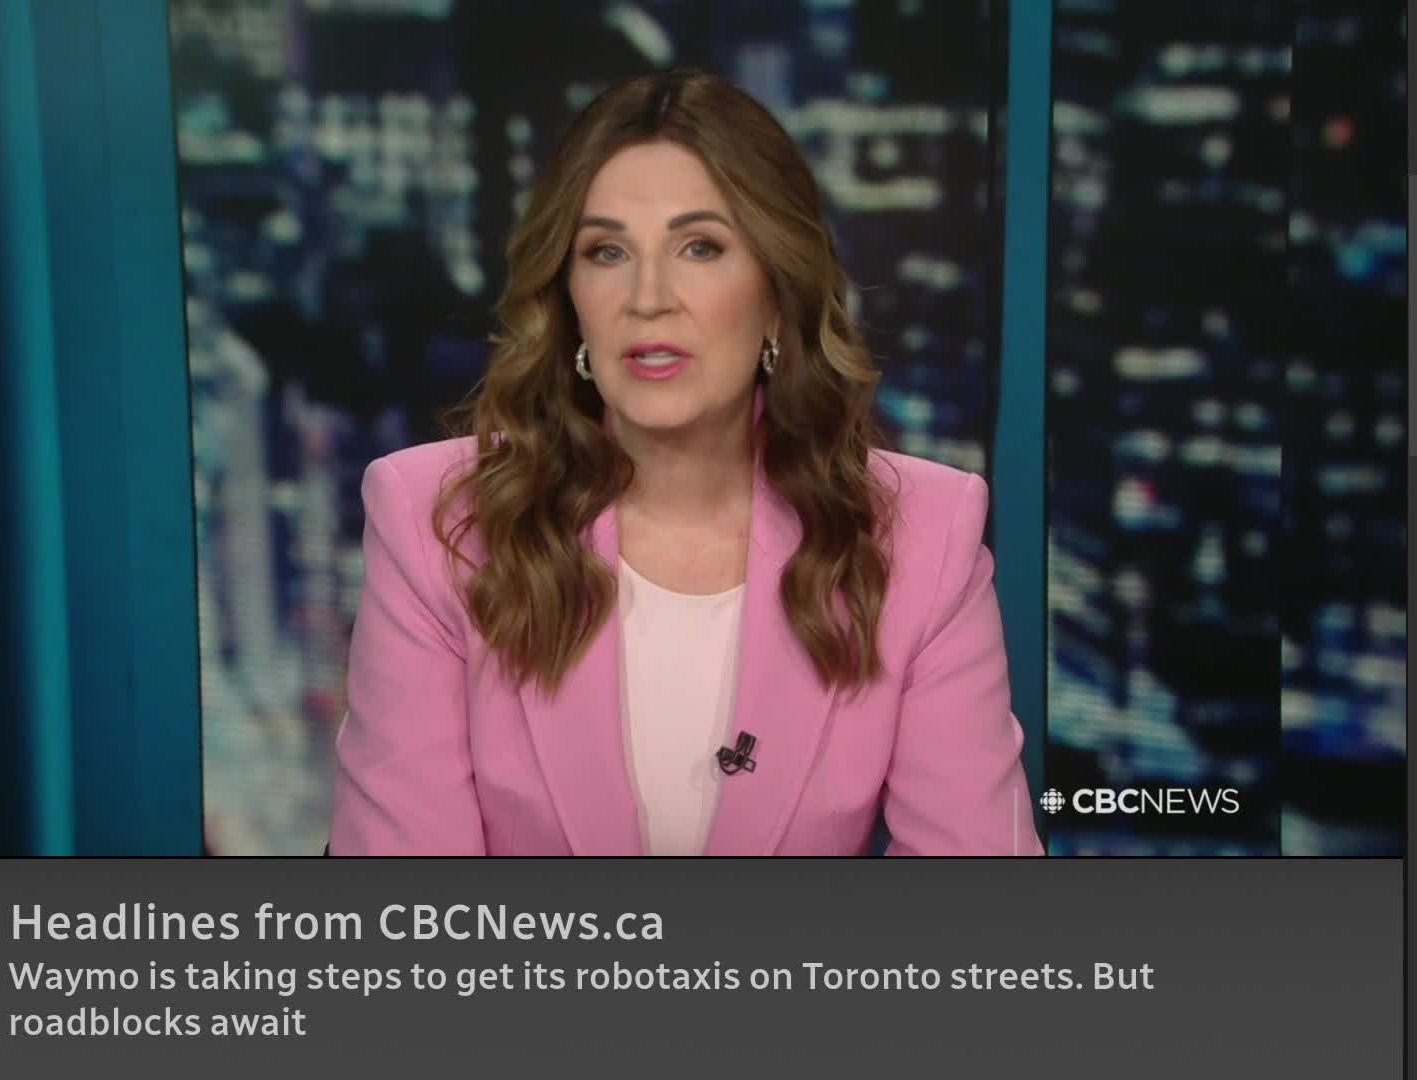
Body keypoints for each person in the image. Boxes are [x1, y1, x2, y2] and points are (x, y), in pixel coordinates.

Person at [330, 68, 1039, 855]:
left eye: (700, 246)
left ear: (776, 295)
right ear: (569, 301)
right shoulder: (436, 523)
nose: (649, 296)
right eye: (606, 252)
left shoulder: (920, 537)